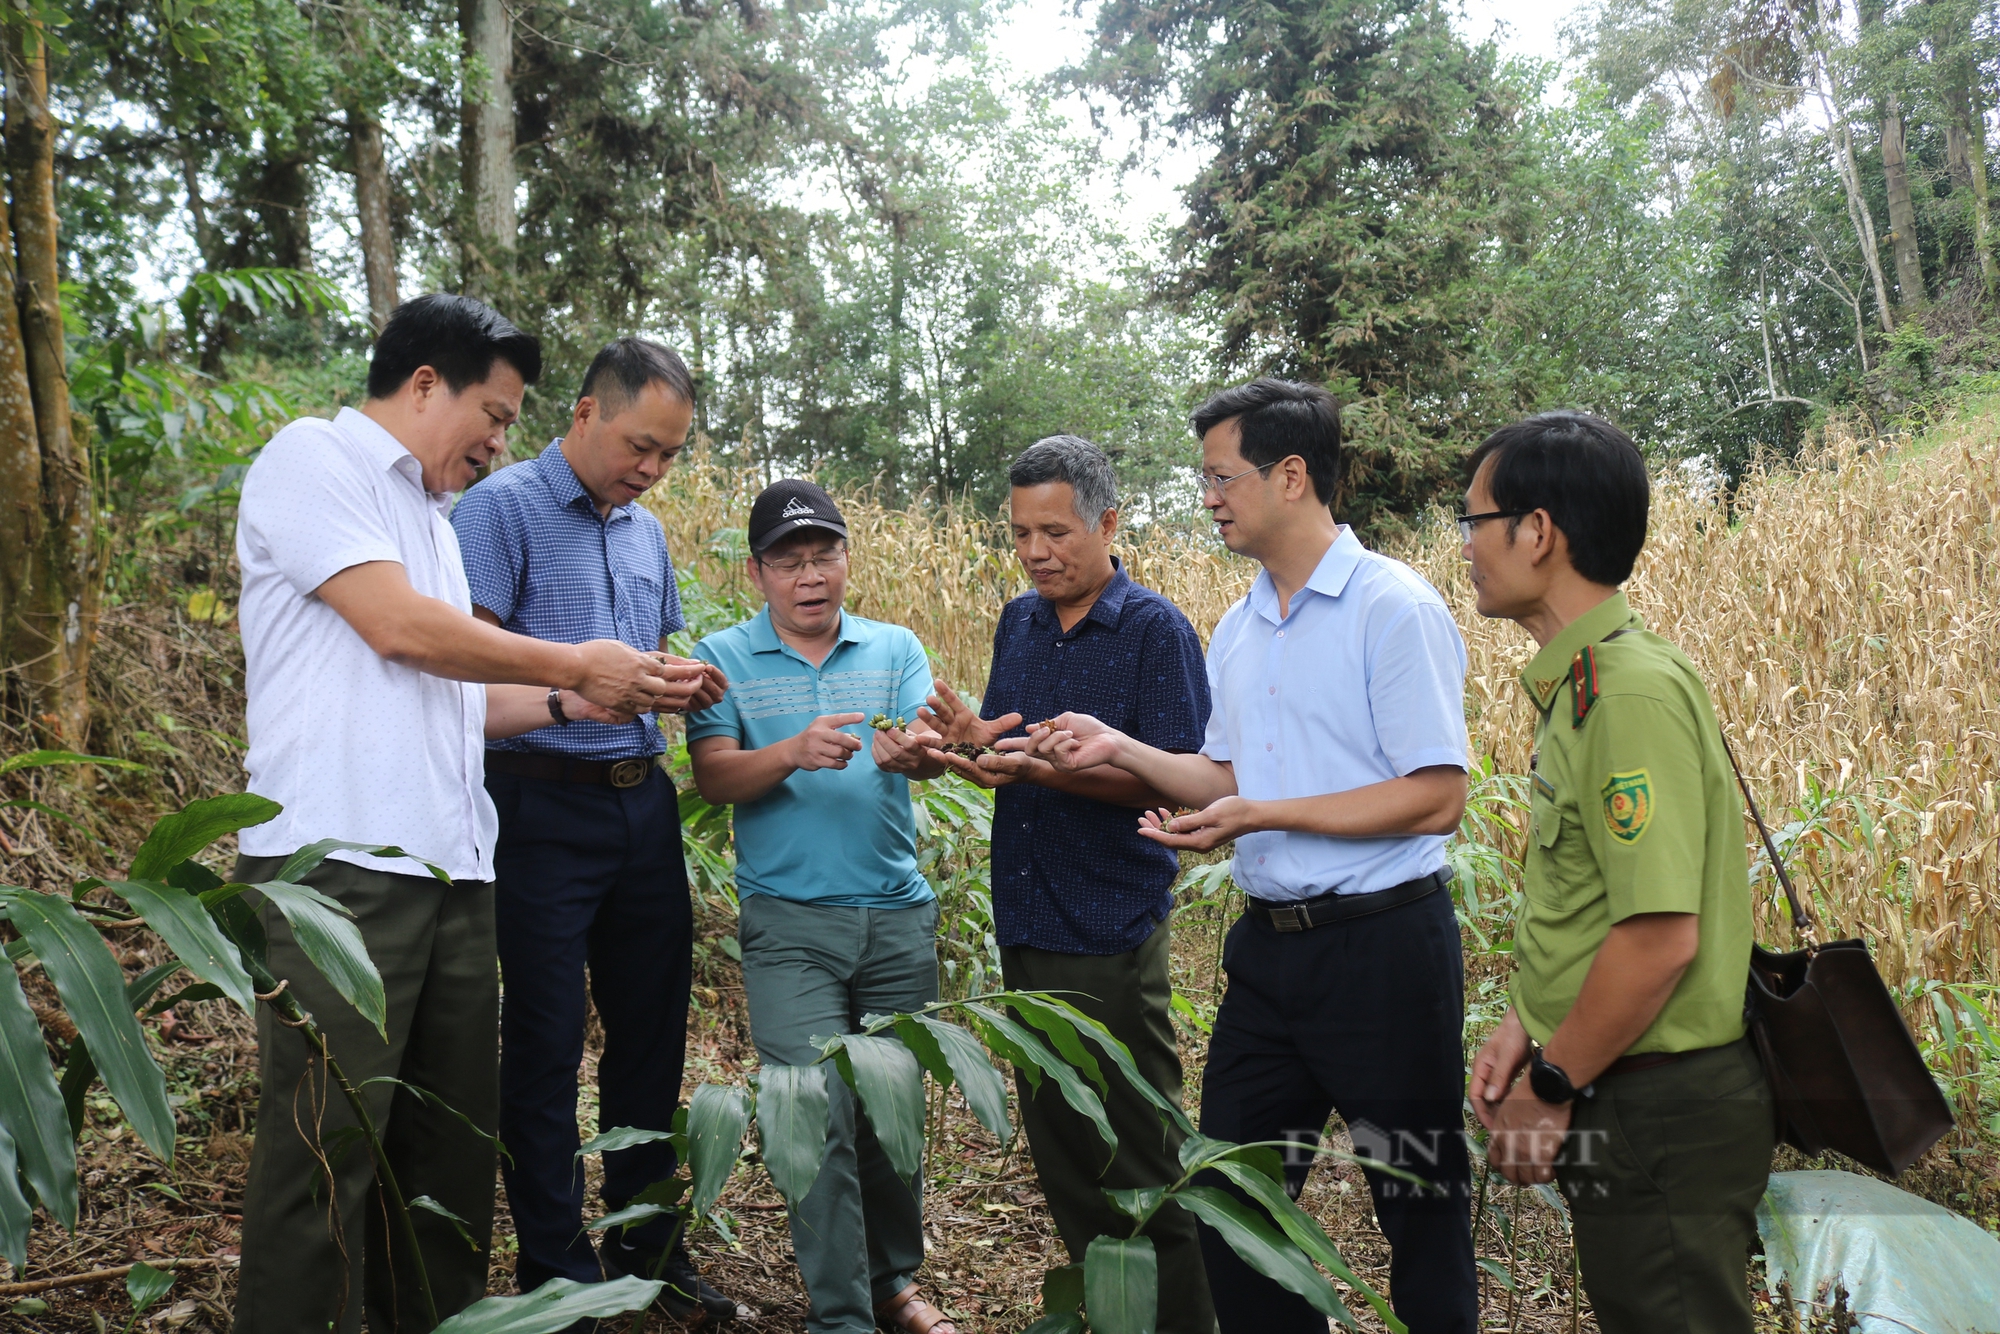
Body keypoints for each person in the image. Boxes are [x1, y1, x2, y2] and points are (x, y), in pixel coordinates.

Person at [232, 294, 694, 1334]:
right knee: (325, 1150)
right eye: (491, 411)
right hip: (337, 867)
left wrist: (584, 696)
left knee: (441, 1155)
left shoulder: (434, 525)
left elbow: (465, 697)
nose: (498, 438)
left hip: (452, 868)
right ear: (425, 382)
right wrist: (573, 656)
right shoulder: (316, 460)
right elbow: (399, 630)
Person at [1017, 379, 1479, 1334]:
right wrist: (1124, 750)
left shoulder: (1392, 608)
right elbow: (1221, 771)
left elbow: (1437, 794)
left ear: (1293, 475)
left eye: (1223, 477)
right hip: (1271, 956)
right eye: (1206, 479)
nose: (1210, 497)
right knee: (1228, 1201)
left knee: (1420, 1210)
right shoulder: (1240, 624)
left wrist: (1257, 811)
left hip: (1385, 949)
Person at [448, 337, 738, 1324]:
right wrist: (576, 693)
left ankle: (649, 1246)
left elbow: (640, 664)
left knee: (652, 1036)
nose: (650, 467)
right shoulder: (498, 511)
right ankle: (557, 1272)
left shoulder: (643, 532)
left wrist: (675, 680)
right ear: (582, 413)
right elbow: (468, 684)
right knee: (543, 1040)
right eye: (638, 444)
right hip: (534, 805)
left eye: (666, 453)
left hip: (639, 801)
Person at [1463, 412, 1772, 1334]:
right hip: (1625, 1084)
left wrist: (1548, 1085)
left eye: (1474, 522)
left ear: (1538, 531)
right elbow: (1594, 898)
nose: (1468, 549)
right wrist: (1528, 1019)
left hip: (1655, 1104)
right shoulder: (1584, 684)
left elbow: (1658, 937)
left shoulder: (1623, 693)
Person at [916, 436, 1216, 1333]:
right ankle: (1106, 1308)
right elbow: (1016, 747)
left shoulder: (1153, 632)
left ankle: (1182, 1320)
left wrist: (1043, 773)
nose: (1038, 552)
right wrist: (975, 739)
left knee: (1137, 1146)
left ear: (1108, 523)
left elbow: (1178, 777)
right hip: (1028, 916)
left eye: (1056, 531)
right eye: (1021, 534)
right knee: (1060, 1144)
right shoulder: (1021, 623)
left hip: (1110, 924)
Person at [684, 480, 959, 1334]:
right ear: (760, 573)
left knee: (891, 1117)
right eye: (790, 561)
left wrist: (916, 752)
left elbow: (928, 754)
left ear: (846, 560)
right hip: (789, 930)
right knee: (816, 1120)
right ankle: (840, 1316)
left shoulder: (894, 646)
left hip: (895, 919)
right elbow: (712, 775)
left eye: (825, 556)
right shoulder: (722, 656)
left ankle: (895, 1284)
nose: (811, 577)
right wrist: (792, 752)